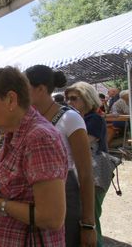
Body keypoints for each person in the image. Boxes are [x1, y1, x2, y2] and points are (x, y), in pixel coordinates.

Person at [0, 66, 68, 246]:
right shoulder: (15, 131)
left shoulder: (39, 138)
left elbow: (51, 218)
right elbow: (26, 181)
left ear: (11, 99)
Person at [25, 65, 96, 247]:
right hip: (34, 193)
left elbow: (86, 173)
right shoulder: (29, 118)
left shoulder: (70, 118)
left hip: (66, 193)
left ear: (40, 89)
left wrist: (88, 224)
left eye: (25, 88)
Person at [65, 82, 109, 247]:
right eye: (68, 99)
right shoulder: (81, 118)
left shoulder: (94, 118)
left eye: (74, 99)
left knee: (91, 219)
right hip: (86, 174)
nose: (69, 102)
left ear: (87, 99)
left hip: (95, 173)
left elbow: (82, 143)